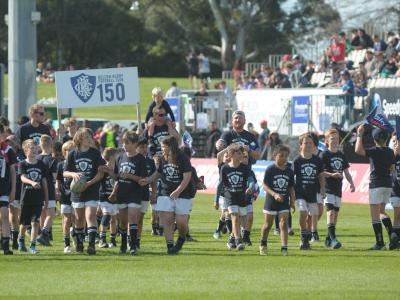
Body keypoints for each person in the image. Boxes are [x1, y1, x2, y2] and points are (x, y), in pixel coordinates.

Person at [139, 136, 193, 255]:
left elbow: (187, 177)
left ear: (171, 146)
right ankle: (170, 246)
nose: (162, 149)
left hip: (182, 194)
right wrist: (147, 180)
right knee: (167, 221)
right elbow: (158, 173)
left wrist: (178, 191)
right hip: (165, 193)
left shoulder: (183, 158)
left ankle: (182, 238)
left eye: (163, 147)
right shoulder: (162, 158)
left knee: (181, 222)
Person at [355, 126, 398, 250]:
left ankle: (380, 243)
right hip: (387, 184)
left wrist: (359, 135)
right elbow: (392, 169)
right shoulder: (390, 152)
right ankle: (392, 234)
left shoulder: (374, 150)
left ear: (374, 139)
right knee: (381, 212)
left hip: (376, 184)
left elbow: (358, 150)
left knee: (375, 215)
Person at [64, 128, 105, 255]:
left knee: (91, 215)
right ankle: (80, 243)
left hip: (91, 189)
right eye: (86, 137)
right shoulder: (72, 154)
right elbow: (65, 172)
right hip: (77, 191)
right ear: (80, 139)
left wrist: (89, 183)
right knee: (79, 218)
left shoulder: (95, 153)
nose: (90, 139)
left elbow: (101, 172)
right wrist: (73, 174)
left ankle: (92, 245)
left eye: (90, 137)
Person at [113, 131, 147, 255]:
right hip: (122, 193)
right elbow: (116, 177)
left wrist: (130, 176)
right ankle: (123, 245)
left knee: (133, 218)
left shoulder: (140, 159)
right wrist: (108, 171)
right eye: (123, 143)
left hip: (135, 193)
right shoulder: (119, 157)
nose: (124, 145)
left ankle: (133, 246)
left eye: (127, 143)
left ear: (134, 144)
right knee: (122, 221)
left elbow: (143, 179)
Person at [321, 128, 355, 249]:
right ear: (326, 141)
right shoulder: (324, 154)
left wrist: (352, 183)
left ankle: (328, 238)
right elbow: (320, 172)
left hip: (338, 189)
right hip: (328, 188)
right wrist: (331, 175)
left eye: (337, 138)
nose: (335, 140)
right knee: (330, 213)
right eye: (332, 138)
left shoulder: (341, 155)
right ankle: (334, 240)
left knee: (335, 215)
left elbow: (346, 171)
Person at [260, 144, 295, 256]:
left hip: (284, 202)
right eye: (281, 156)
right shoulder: (270, 169)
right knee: (267, 226)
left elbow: (290, 188)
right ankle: (263, 244)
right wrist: (274, 194)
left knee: (284, 223)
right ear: (275, 156)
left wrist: (292, 202)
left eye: (286, 156)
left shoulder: (289, 171)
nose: (284, 158)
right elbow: (265, 186)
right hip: (271, 202)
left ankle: (284, 248)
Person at [218, 144, 253, 250]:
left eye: (242, 153)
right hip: (229, 197)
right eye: (239, 153)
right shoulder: (224, 168)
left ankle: (232, 239)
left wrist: (250, 187)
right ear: (232, 155)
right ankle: (239, 241)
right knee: (235, 217)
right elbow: (220, 184)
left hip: (242, 197)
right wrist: (216, 200)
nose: (242, 155)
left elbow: (251, 179)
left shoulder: (245, 168)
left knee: (243, 219)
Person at [293, 133, 325, 250]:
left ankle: (307, 237)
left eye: (310, 143)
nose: (308, 145)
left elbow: (321, 175)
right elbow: (292, 177)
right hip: (300, 192)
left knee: (314, 213)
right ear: (300, 145)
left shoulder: (317, 160)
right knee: (303, 212)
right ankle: (303, 236)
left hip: (313, 192)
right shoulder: (297, 160)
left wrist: (322, 188)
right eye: (305, 143)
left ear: (314, 145)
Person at [18, 139, 49, 254]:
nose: (35, 150)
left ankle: (32, 246)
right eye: (32, 148)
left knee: (35, 222)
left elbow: (44, 182)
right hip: (26, 198)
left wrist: (46, 198)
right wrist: (31, 182)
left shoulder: (41, 164)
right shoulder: (22, 164)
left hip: (38, 199)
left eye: (36, 148)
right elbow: (22, 177)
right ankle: (21, 240)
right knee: (24, 224)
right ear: (25, 150)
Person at [36, 135, 58, 246]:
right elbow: (54, 177)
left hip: (38, 189)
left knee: (42, 214)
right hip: (49, 189)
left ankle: (43, 237)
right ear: (51, 145)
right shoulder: (52, 160)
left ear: (40, 145)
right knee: (51, 213)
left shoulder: (37, 158)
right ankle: (44, 233)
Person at [136, 137, 157, 248]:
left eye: (145, 147)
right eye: (141, 147)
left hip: (144, 194)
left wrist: (154, 193)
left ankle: (137, 240)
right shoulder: (131, 160)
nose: (144, 149)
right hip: (131, 193)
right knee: (132, 218)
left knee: (140, 218)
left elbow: (153, 179)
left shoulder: (150, 161)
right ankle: (130, 240)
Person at [55, 140, 76, 253]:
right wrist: (57, 190)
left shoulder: (77, 164)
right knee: (66, 219)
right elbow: (58, 180)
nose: (71, 153)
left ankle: (76, 236)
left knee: (76, 219)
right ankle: (67, 244)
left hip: (76, 195)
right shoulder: (60, 165)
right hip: (65, 195)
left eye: (73, 151)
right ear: (64, 153)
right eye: (68, 151)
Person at [0, 124, 17, 255]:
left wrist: (13, 190)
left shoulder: (8, 150)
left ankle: (6, 245)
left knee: (5, 214)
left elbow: (12, 172)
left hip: (4, 188)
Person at [5, 135, 24, 250]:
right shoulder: (4, 152)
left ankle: (15, 239)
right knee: (5, 215)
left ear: (17, 143)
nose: (9, 143)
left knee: (15, 216)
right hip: (6, 186)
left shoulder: (22, 154)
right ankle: (6, 238)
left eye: (11, 141)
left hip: (19, 188)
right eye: (8, 141)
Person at [98, 147, 119, 249]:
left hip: (114, 197)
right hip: (104, 196)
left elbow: (117, 179)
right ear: (112, 157)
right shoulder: (102, 168)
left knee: (113, 219)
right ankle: (102, 239)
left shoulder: (117, 168)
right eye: (116, 155)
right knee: (106, 215)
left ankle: (113, 239)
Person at [390, 133, 400, 248]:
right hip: (395, 189)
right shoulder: (391, 155)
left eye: (397, 141)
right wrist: (395, 153)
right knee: (397, 214)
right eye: (394, 142)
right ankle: (395, 239)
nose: (396, 144)